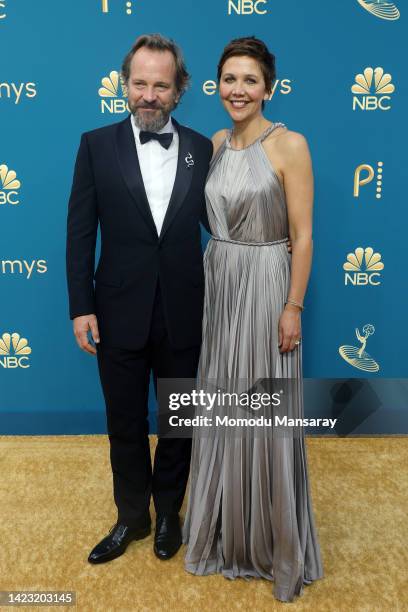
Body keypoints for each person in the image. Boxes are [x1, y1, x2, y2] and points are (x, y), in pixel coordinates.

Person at [182, 37, 324, 602]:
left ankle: (273, 543)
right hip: (219, 280)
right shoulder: (215, 142)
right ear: (217, 85)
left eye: (249, 80)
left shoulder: (290, 144)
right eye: (229, 79)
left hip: (267, 282)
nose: (238, 90)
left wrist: (293, 305)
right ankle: (221, 534)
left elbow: (305, 235)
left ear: (268, 87)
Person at [66, 33, 213, 564]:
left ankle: (170, 511)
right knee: (124, 421)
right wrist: (81, 306)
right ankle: (133, 516)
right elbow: (80, 232)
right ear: (125, 84)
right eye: (140, 83)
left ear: (179, 91)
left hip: (184, 309)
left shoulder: (202, 148)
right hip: (116, 310)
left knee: (179, 420)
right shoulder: (95, 144)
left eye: (161, 85)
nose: (149, 95)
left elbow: (223, 217)